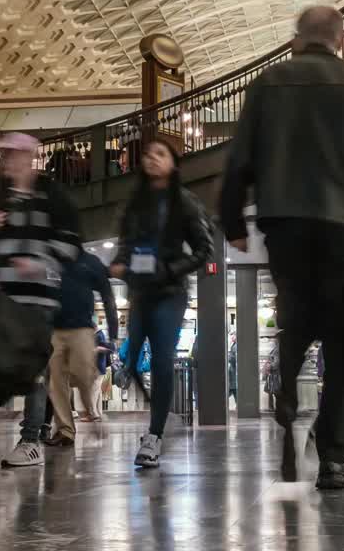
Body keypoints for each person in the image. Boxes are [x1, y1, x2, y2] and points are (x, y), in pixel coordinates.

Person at [220, 6, 344, 490]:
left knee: (296, 314)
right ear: (340, 37)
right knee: (342, 347)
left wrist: (232, 217)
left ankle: (288, 392)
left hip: (284, 224)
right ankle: (335, 460)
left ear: (297, 38)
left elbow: (241, 157)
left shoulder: (269, 83)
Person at [110, 138, 213, 468]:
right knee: (131, 357)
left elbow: (203, 250)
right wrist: (121, 263)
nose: (151, 159)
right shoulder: (135, 203)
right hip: (141, 292)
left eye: (160, 154)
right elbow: (126, 245)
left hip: (170, 292)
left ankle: (154, 435)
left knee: (162, 358)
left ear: (173, 163)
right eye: (147, 155)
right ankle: (160, 419)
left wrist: (169, 269)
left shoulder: (184, 202)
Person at [0, 132, 81, 468]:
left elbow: (71, 246)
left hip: (39, 299)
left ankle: (31, 438)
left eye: (15, 155)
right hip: (6, 298)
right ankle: (32, 431)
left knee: (33, 368)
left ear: (30, 157)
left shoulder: (51, 196)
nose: (8, 162)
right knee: (9, 364)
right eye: (5, 156)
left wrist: (38, 264)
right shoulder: (1, 199)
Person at [46, 247, 118, 444]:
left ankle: (93, 417)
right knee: (56, 382)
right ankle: (65, 431)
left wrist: (113, 330)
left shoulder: (89, 262)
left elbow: (106, 293)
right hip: (56, 330)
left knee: (83, 376)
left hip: (82, 330)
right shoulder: (52, 259)